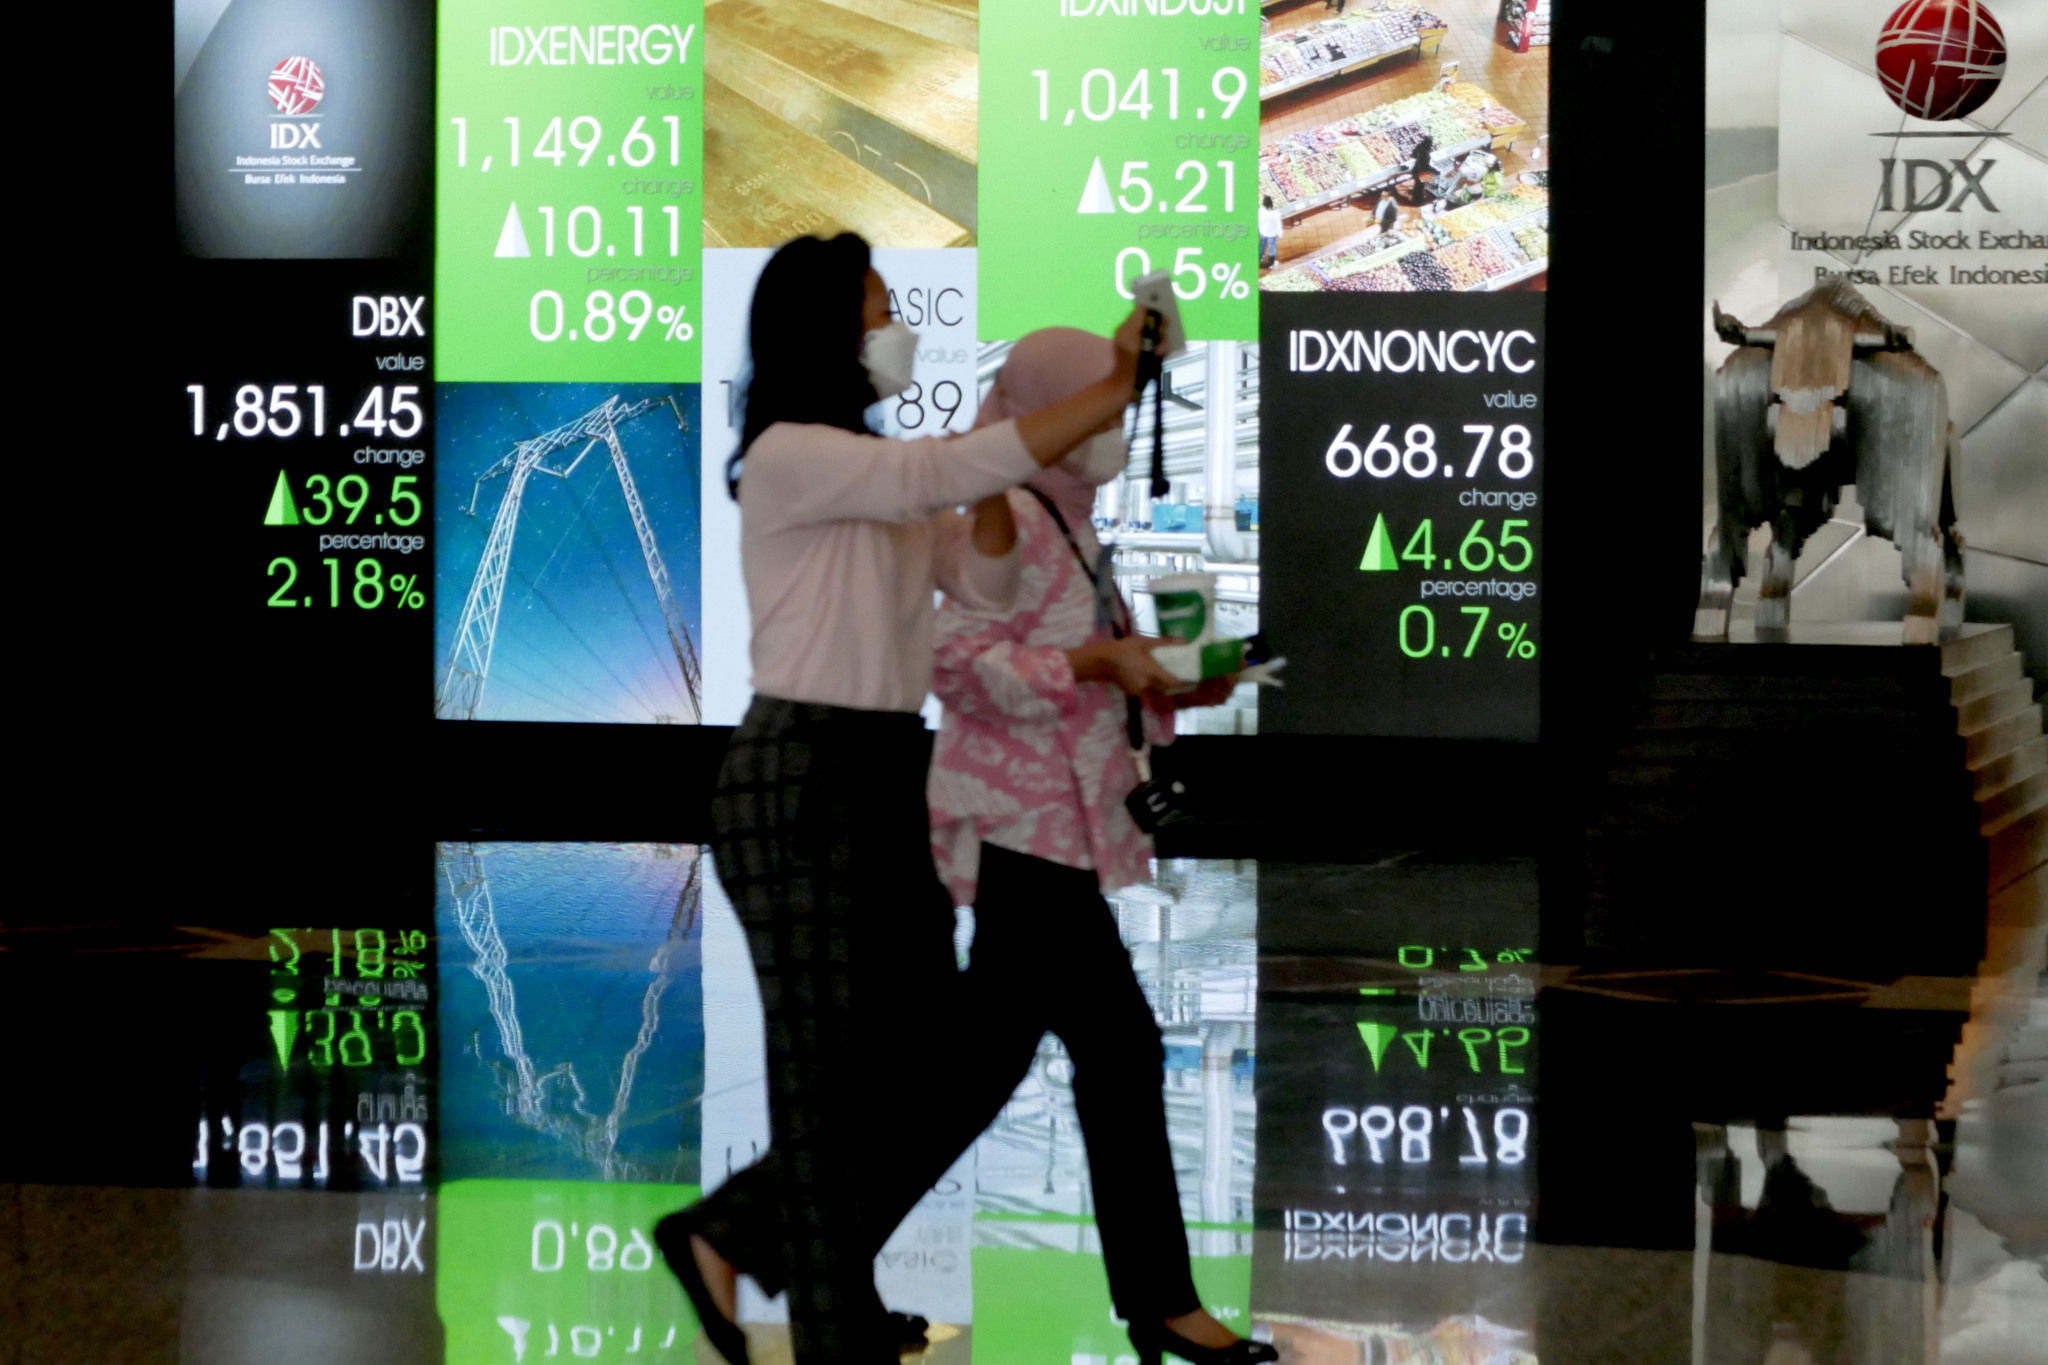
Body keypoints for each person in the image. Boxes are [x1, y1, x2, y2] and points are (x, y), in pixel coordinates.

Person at [656, 235, 1149, 1365]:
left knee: (927, 1045)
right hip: (797, 770)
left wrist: (997, 477)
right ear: (826, 331)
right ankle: (834, 1329)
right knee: (824, 1062)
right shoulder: (794, 455)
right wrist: (1104, 392)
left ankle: (727, 1233)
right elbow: (934, 480)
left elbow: (978, 575)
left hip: (885, 769)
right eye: (881, 308)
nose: (898, 327)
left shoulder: (879, 464)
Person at [925, 329, 1276, 1365]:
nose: (1113, 428)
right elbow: (957, 661)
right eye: (1097, 407)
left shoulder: (1067, 520)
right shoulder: (1003, 511)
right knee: (1092, 1055)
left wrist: (1170, 676)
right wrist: (1096, 662)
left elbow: (1089, 671)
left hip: (1058, 829)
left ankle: (788, 1235)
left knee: (1004, 1063)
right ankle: (1162, 1304)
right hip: (1022, 830)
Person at [1257, 194, 1283, 270]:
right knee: (1272, 246)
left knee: (1262, 245)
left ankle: (1258, 259)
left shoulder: (1260, 211)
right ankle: (1271, 262)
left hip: (1263, 231)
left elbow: (1259, 221)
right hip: (1272, 232)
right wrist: (1280, 232)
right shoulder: (1275, 213)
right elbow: (1278, 223)